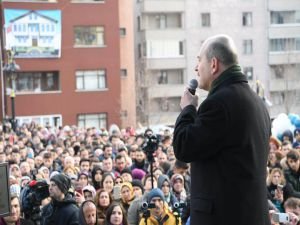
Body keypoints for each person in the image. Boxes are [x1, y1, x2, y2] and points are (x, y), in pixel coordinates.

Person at [172, 34, 271, 225]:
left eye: (199, 60)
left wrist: (188, 109)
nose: (196, 68)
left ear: (214, 64)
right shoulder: (256, 102)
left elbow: (184, 147)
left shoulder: (218, 104)